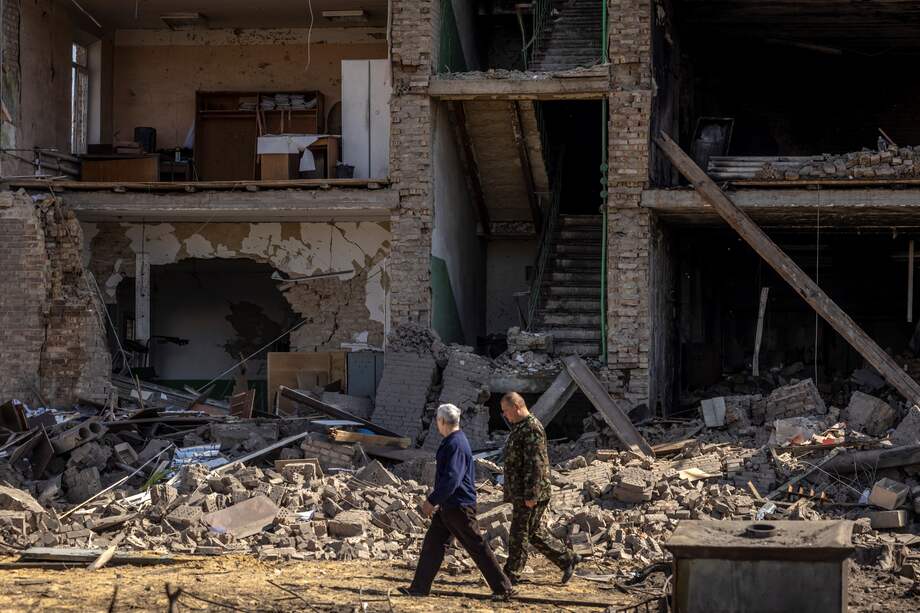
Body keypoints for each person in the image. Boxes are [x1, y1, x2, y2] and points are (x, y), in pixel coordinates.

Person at [400, 404, 515, 600]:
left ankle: (503, 588)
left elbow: (452, 478)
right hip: (450, 507)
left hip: (459, 507)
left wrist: (432, 500)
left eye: (437, 420)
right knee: (432, 544)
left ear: (442, 421)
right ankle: (419, 588)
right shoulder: (454, 441)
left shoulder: (455, 443)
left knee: (477, 546)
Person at [500, 392, 580, 584]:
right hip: (523, 492)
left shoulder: (531, 428)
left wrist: (531, 494)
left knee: (519, 534)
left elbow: (536, 465)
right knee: (533, 532)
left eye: (506, 411)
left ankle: (510, 575)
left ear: (517, 407)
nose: (504, 415)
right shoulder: (520, 427)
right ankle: (568, 558)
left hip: (531, 492)